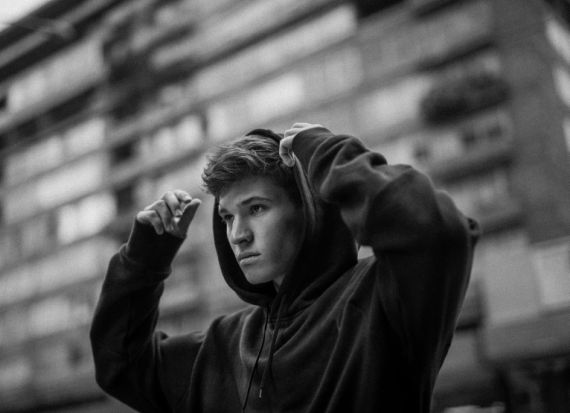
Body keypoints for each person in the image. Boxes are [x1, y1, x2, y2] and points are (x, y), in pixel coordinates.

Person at [90, 123, 479, 412]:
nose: (238, 235)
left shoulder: (379, 300)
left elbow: (437, 233)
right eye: (227, 217)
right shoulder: (223, 346)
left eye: (256, 208)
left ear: (308, 212)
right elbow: (120, 365)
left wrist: (327, 151)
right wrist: (144, 257)